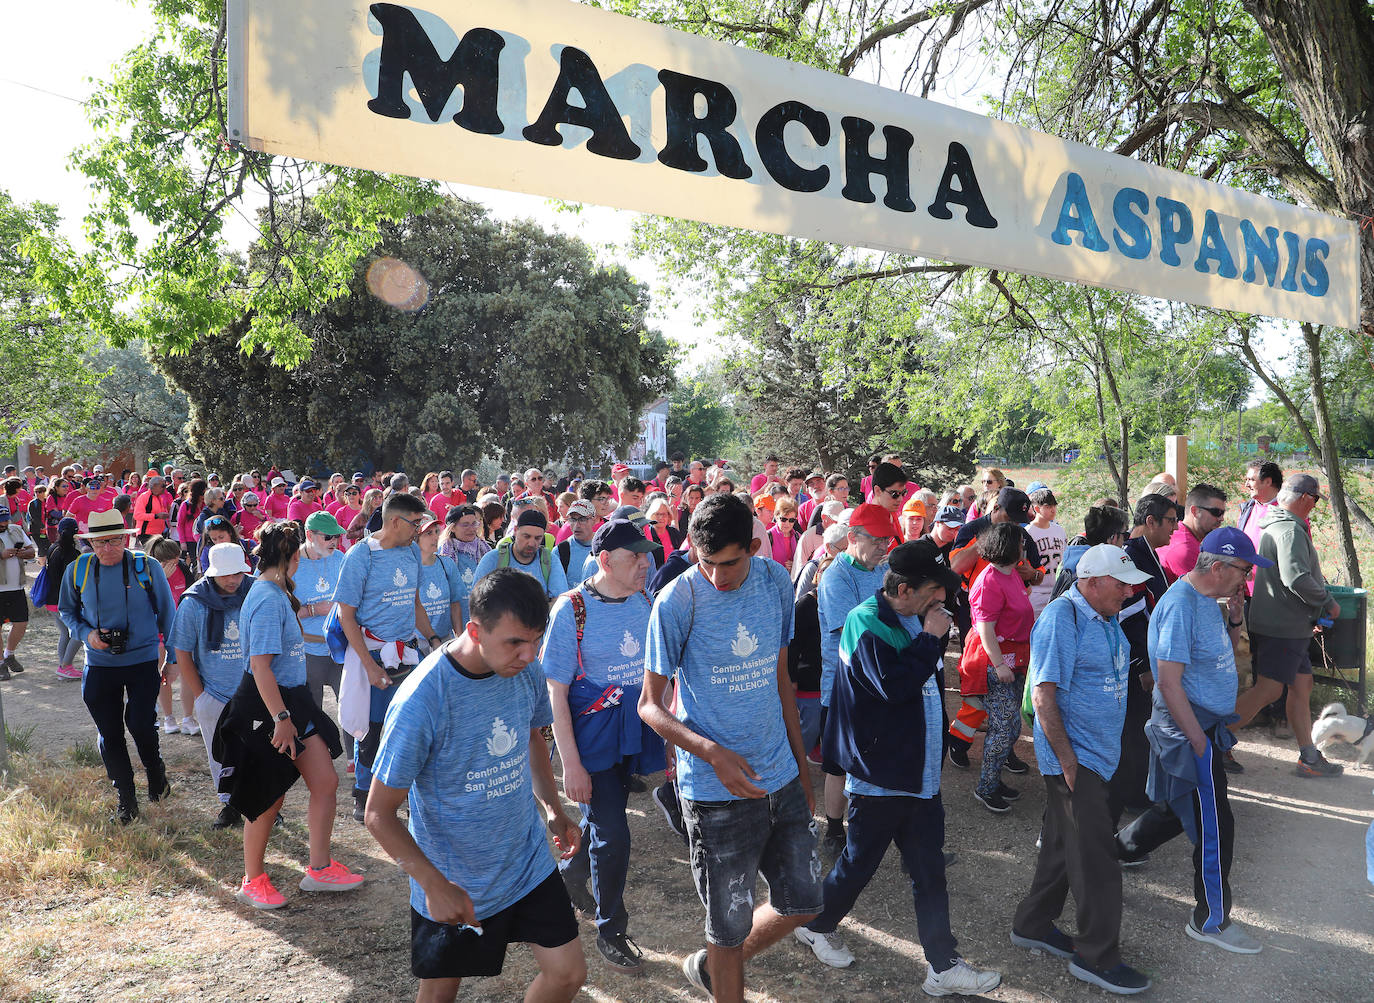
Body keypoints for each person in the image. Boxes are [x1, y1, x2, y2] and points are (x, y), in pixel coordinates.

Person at [366, 569, 586, 1003]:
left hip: (526, 862)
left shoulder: (525, 671)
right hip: (457, 878)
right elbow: (377, 813)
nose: (528, 655)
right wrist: (433, 884)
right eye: (514, 643)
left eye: (534, 641)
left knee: (568, 974)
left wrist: (553, 809)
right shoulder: (422, 700)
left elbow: (531, 741)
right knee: (439, 993)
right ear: (474, 629)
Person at [795, 543, 1001, 996]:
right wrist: (930, 639)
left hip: (919, 773)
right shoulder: (865, 621)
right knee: (858, 864)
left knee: (928, 870)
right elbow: (892, 688)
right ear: (903, 589)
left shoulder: (914, 616)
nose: (941, 601)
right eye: (934, 592)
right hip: (881, 772)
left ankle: (942, 966)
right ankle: (816, 924)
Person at [638, 493, 821, 1002]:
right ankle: (724, 974)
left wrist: (802, 772)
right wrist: (711, 752)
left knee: (805, 900)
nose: (718, 577)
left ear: (756, 547)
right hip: (714, 795)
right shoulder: (676, 601)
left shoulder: (776, 582)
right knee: (728, 925)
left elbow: (782, 679)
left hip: (780, 777)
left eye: (730, 562)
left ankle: (713, 968)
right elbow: (649, 706)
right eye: (706, 562)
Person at [1115, 528, 1269, 956]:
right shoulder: (1180, 606)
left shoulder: (1207, 601)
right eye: (1243, 570)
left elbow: (1219, 654)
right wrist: (1199, 740)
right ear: (1217, 566)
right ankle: (1210, 921)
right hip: (1187, 732)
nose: (1246, 578)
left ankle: (1118, 850)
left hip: (1200, 730)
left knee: (1172, 807)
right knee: (1216, 826)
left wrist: (1235, 619)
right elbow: (1167, 682)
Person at [1012, 544, 1153, 995]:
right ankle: (1097, 956)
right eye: (1121, 583)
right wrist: (1068, 762)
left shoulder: (1107, 616)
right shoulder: (1062, 618)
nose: (1130, 591)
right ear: (1091, 581)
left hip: (1098, 756)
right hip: (1077, 761)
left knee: (1060, 845)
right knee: (1097, 860)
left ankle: (1032, 924)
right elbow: (1042, 695)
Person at [213, 520, 364, 908]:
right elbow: (260, 667)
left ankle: (319, 869)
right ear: (293, 557)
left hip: (293, 701)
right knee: (267, 796)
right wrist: (281, 719)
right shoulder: (265, 598)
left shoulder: (277, 592)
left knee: (326, 781)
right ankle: (252, 880)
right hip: (268, 707)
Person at [543, 519, 664, 975]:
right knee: (614, 834)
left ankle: (572, 873)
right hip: (592, 739)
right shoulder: (571, 609)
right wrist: (570, 765)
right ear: (607, 560)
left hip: (636, 730)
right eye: (636, 557)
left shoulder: (646, 599)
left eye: (647, 555)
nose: (646, 564)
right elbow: (556, 691)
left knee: (604, 819)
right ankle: (610, 930)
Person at [58, 509, 177, 823]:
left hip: (142, 660)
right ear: (90, 542)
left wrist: (174, 659)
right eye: (99, 542)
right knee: (109, 732)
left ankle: (156, 774)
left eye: (113, 541)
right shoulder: (77, 570)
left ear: (125, 539)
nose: (106, 548)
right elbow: (67, 611)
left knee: (140, 723)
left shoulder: (146, 567)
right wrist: (86, 634)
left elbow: (169, 614)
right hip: (99, 665)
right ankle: (126, 799)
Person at [334, 491, 441, 822]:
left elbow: (415, 602)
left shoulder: (410, 552)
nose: (419, 530)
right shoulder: (360, 556)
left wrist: (433, 639)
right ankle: (364, 794)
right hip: (374, 655)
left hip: (408, 653)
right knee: (372, 728)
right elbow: (345, 616)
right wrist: (368, 665)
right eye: (415, 523)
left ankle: (406, 791)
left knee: (411, 725)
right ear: (395, 521)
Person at [1231, 474, 1345, 778]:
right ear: (1307, 498)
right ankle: (1210, 742)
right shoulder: (1289, 530)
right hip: (1282, 626)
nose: (1315, 506)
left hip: (1286, 624)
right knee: (1268, 691)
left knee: (1302, 685)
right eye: (1316, 500)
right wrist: (1327, 602)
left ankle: (1308, 756)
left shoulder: (1276, 523)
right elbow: (1296, 578)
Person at [816, 503, 893, 857]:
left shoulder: (885, 568)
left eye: (888, 540)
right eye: (877, 540)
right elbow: (853, 627)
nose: (883, 547)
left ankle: (873, 828)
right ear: (852, 537)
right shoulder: (837, 576)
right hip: (844, 685)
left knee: (877, 757)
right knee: (837, 764)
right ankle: (833, 829)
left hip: (881, 681)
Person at [171, 542, 254, 829]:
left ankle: (263, 803)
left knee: (259, 752)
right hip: (215, 693)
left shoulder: (254, 592)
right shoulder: (194, 602)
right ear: (210, 573)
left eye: (238, 574)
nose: (233, 580)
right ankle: (229, 806)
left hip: (255, 690)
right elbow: (182, 650)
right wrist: (201, 695)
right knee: (220, 754)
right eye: (226, 575)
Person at [962, 523, 1035, 813]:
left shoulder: (1011, 574)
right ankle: (986, 786)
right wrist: (999, 664)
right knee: (1004, 727)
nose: (1024, 547)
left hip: (1015, 660)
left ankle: (993, 779)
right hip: (997, 662)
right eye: (1020, 542)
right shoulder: (989, 580)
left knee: (1011, 725)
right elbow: (985, 629)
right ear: (1009, 546)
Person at [1112, 494, 1176, 820]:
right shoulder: (1132, 557)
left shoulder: (1146, 554)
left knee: (1141, 727)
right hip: (1137, 666)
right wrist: (1143, 666)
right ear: (1150, 521)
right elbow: (1129, 620)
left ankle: (1136, 788)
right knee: (1134, 729)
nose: (1176, 528)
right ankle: (1131, 793)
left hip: (1147, 661)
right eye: (1171, 521)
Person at [294, 510, 353, 763]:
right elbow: (280, 612)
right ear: (309, 535)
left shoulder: (341, 558)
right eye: (328, 537)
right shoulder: (292, 563)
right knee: (312, 710)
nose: (334, 542)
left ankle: (354, 759)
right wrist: (314, 610)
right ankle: (317, 761)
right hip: (308, 650)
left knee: (351, 706)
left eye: (337, 537)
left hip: (341, 649)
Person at [475, 509, 569, 599]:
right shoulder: (493, 559)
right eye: (526, 536)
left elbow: (560, 600)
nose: (531, 543)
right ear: (515, 531)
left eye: (537, 538)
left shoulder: (550, 560)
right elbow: (477, 600)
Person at [1158, 483, 1228, 583]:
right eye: (1216, 512)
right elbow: (1206, 591)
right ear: (1195, 511)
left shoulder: (1181, 536)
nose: (1221, 518)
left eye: (1223, 513)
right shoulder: (1185, 548)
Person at [43, 518, 85, 680]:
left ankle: (64, 669)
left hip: (51, 599)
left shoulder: (53, 548)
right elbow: (77, 581)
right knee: (79, 632)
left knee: (65, 634)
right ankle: (65, 666)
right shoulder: (74, 554)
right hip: (65, 601)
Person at [0, 504, 37, 678]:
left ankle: (9, 653)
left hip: (17, 587)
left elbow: (32, 552)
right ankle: (1, 664)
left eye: (6, 519)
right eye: (1, 520)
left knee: (21, 624)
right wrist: (1, 555)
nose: (4, 523)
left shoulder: (15, 529)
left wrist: (22, 552)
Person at [1025, 487, 1067, 618]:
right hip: (1036, 593)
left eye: (1054, 505)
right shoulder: (1028, 532)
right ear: (1037, 509)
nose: (1053, 509)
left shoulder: (1060, 530)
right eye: (1048, 506)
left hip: (1058, 591)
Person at [555, 499, 597, 583]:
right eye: (573, 520)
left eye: (582, 519)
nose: (577, 525)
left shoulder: (605, 547)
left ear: (594, 520)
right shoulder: (561, 551)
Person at [133, 475, 173, 544]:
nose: (165, 488)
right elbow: (137, 515)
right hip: (146, 534)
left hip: (158, 534)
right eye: (163, 486)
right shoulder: (144, 497)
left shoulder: (159, 497)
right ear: (154, 486)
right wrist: (156, 516)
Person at [767, 496, 800, 573]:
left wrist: (794, 565)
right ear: (776, 516)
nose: (787, 524)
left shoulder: (798, 537)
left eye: (792, 520)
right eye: (784, 519)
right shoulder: (768, 536)